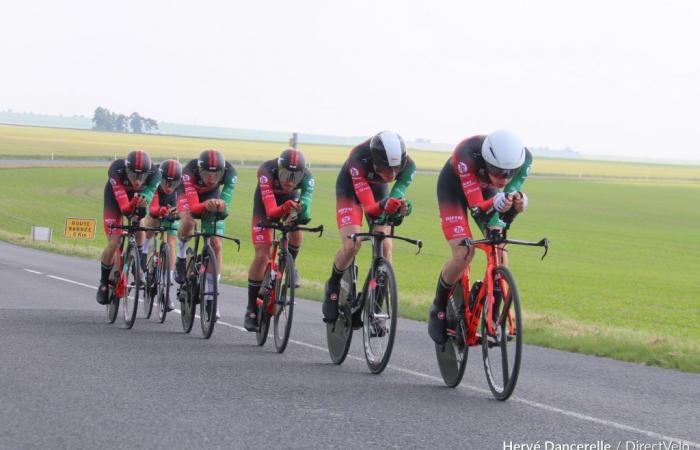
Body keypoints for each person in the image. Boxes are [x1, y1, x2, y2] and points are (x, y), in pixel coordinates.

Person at [428, 130, 532, 344]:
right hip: (454, 191)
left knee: (500, 252)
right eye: (497, 171)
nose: (503, 178)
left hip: (487, 194)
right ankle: (438, 306)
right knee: (464, 252)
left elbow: (508, 199)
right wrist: (497, 202)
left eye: (509, 173)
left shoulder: (524, 160)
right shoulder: (466, 154)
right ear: (486, 160)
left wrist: (518, 202)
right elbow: (477, 208)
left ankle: (493, 317)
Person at [322, 131, 416, 322]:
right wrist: (384, 205)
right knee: (352, 244)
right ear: (375, 160)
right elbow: (372, 208)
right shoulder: (358, 157)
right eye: (386, 169)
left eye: (396, 169)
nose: (392, 175)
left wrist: (401, 207)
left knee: (386, 247)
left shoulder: (409, 166)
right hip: (350, 191)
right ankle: (332, 286)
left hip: (378, 191)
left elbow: (394, 197)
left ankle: (376, 306)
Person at [244, 148, 315, 331]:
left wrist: (300, 211)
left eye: (295, 177)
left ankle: (291, 264)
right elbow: (271, 212)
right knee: (262, 254)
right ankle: (252, 308)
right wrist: (283, 208)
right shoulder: (265, 171)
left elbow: (307, 212)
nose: (289, 182)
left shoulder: (308, 178)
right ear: (278, 168)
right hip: (265, 204)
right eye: (284, 174)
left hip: (290, 201)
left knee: (296, 228)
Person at [175, 149, 237, 318]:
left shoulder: (231, 173)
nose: (211, 179)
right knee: (189, 221)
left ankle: (211, 297)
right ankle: (181, 254)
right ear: (200, 170)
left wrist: (220, 205)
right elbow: (194, 208)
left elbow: (225, 207)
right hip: (188, 195)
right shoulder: (189, 171)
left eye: (216, 174)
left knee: (216, 244)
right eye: (207, 174)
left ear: (222, 172)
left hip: (212, 196)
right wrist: (205, 206)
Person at [96, 150, 161, 305]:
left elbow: (145, 201)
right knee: (115, 241)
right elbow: (125, 208)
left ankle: (136, 263)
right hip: (115, 198)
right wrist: (132, 205)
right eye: (133, 175)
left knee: (139, 223)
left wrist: (138, 207)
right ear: (126, 170)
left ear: (148, 173)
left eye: (142, 177)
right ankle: (103, 282)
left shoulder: (155, 174)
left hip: (138, 198)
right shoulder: (115, 170)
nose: (137, 181)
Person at [141, 159, 182, 311]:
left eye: (174, 183)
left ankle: (166, 290)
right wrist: (162, 212)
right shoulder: (155, 180)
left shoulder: (181, 186)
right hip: (156, 206)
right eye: (166, 182)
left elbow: (184, 207)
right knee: (151, 224)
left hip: (171, 211)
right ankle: (144, 251)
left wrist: (177, 214)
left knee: (171, 243)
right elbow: (152, 209)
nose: (169, 187)